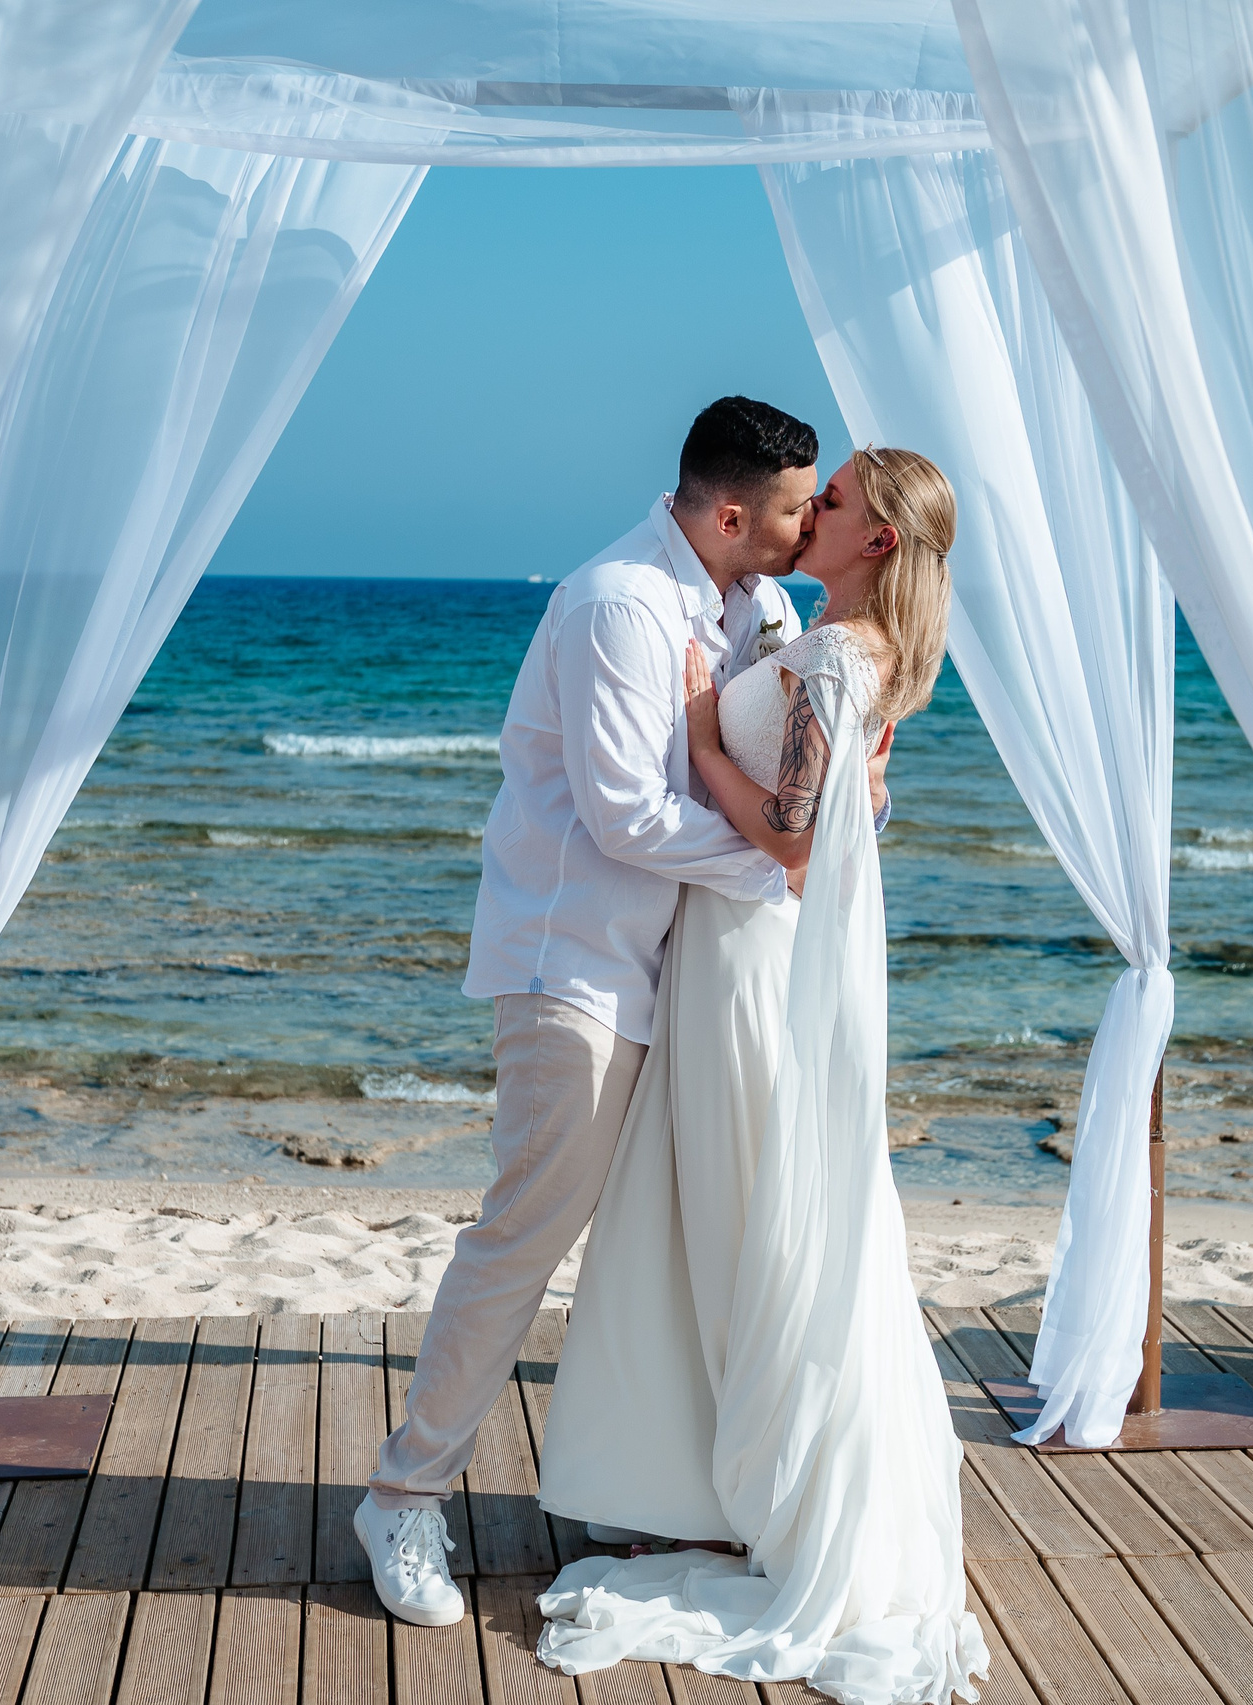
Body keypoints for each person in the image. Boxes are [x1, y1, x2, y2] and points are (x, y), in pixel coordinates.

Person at [352, 397, 832, 1626]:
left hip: (687, 971)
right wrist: (787, 860)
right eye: (792, 509)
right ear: (732, 511)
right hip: (576, 968)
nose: (806, 526)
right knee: (526, 1231)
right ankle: (403, 1497)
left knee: (670, 1234)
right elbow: (626, 815)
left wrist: (806, 832)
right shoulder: (617, 603)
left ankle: (657, 1482)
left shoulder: (755, 604)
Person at [532, 448, 990, 1705]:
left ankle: (749, 1496)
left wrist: (692, 728)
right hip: (736, 953)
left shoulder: (840, 656)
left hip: (754, 961)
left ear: (878, 540)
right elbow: (836, 812)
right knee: (723, 1214)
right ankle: (714, 1484)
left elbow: (791, 836)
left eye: (829, 503)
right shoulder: (825, 637)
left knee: (745, 1216)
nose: (807, 516)